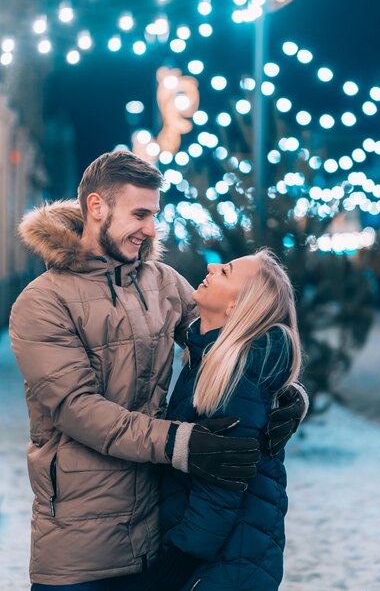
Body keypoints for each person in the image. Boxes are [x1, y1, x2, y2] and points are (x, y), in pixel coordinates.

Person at [9, 151, 306, 589]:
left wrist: (286, 396)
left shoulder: (161, 282)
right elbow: (78, 409)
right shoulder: (43, 302)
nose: (150, 229)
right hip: (82, 542)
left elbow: (233, 336)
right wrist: (181, 442)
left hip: (154, 535)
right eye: (140, 214)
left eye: (154, 214)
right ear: (96, 208)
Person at [132, 249, 307, 591]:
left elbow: (221, 487)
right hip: (227, 558)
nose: (211, 266)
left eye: (225, 272)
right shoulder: (210, 356)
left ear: (235, 308)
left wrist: (175, 564)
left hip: (224, 566)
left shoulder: (235, 367)